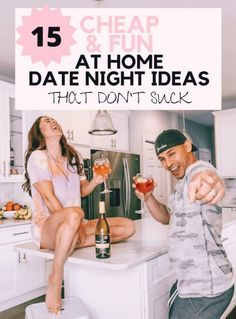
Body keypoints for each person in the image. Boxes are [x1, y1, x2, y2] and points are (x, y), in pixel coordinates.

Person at [22, 116, 135, 315]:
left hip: (75, 222)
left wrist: (96, 181)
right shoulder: (38, 157)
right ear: (39, 133)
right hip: (47, 226)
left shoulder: (74, 157)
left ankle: (72, 239)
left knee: (127, 226)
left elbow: (81, 190)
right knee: (76, 213)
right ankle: (56, 278)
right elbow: (48, 198)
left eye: (54, 119)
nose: (53, 122)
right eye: (47, 121)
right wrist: (73, 221)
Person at [134, 129, 234, 319]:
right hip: (191, 284)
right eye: (162, 159)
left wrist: (211, 182)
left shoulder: (198, 170)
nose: (168, 163)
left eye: (171, 153)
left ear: (187, 146)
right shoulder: (180, 186)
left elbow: (206, 176)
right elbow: (167, 217)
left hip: (205, 290)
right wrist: (147, 197)